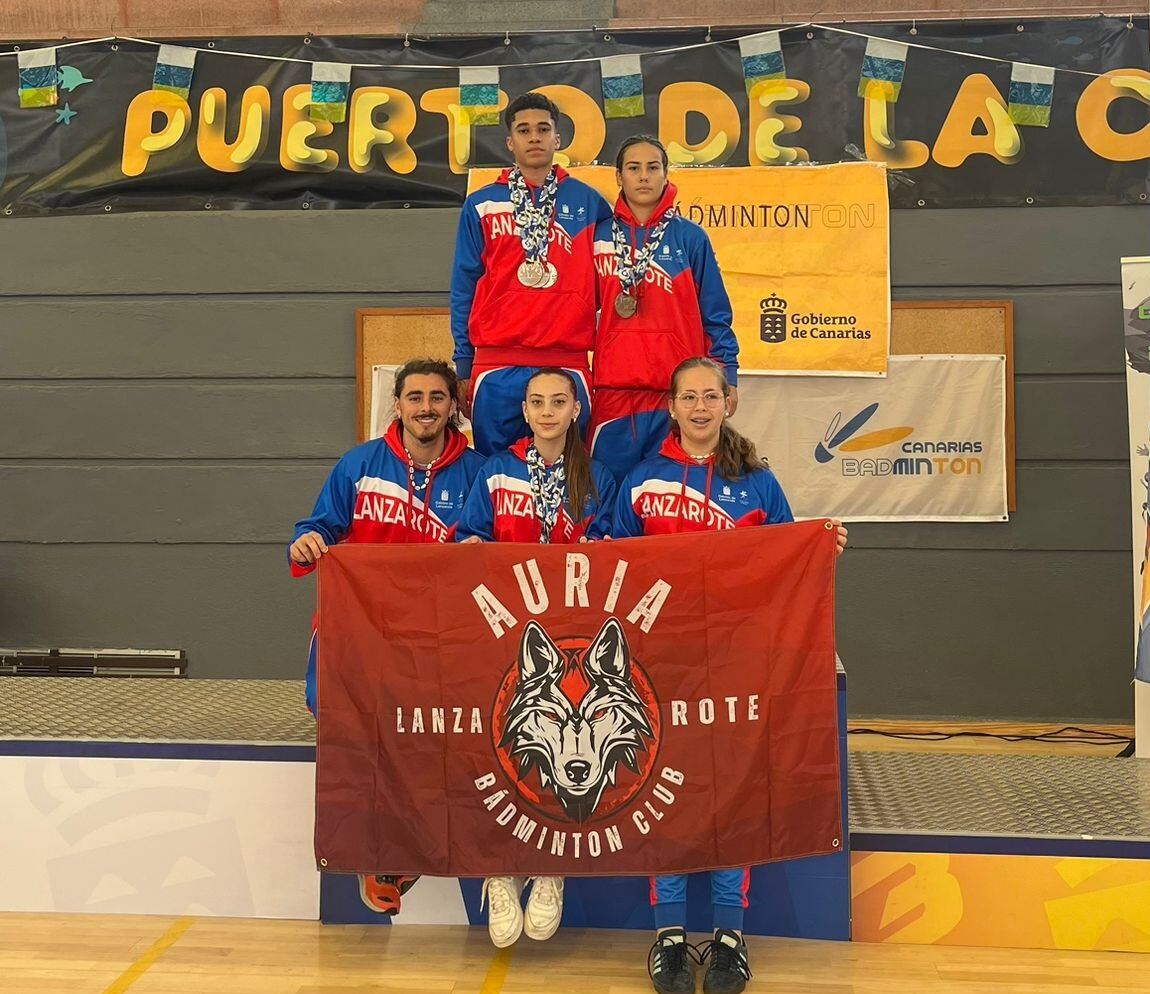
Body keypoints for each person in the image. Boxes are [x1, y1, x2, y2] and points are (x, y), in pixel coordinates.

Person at [614, 357, 847, 994]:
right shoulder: (639, 480)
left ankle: (727, 937)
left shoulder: (758, 482)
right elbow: (612, 561)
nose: (698, 407)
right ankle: (668, 937)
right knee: (664, 794)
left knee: (731, 795)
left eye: (709, 396)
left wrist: (820, 542)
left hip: (738, 668)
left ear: (728, 404)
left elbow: (786, 553)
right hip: (661, 667)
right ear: (671, 405)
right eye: (687, 396)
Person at [288, 357, 484, 916]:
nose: (426, 407)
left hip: (435, 635)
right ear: (396, 404)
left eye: (437, 397)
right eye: (415, 396)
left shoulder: (476, 473)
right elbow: (318, 526)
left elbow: (486, 539)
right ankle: (371, 847)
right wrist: (304, 543)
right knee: (343, 720)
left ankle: (403, 851)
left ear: (454, 406)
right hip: (358, 630)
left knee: (430, 729)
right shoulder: (358, 465)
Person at [456, 368, 616, 948]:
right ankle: (499, 874)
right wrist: (470, 546)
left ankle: (551, 870)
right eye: (536, 402)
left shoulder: (599, 476)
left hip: (572, 635)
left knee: (566, 745)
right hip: (504, 633)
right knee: (498, 748)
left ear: (576, 409)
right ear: (523, 411)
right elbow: (468, 538)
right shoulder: (496, 472)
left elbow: (617, 551)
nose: (547, 411)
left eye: (558, 401)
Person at [451, 91, 612, 457]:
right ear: (511, 142)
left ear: (558, 138)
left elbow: (609, 280)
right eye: (524, 130)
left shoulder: (589, 203)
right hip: (496, 363)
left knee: (569, 472)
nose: (534, 137)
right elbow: (464, 286)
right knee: (497, 475)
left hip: (566, 360)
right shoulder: (482, 203)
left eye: (543, 129)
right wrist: (464, 361)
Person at [591, 135, 740, 483]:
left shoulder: (691, 238)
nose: (643, 176)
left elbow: (715, 315)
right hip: (615, 394)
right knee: (609, 496)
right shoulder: (596, 237)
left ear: (665, 174)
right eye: (633, 168)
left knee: (671, 494)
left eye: (652, 167)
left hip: (677, 396)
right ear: (618, 176)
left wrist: (728, 373)